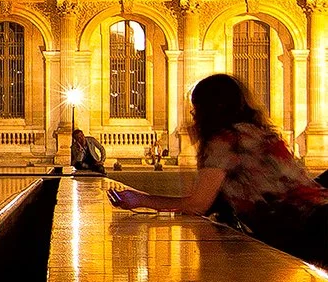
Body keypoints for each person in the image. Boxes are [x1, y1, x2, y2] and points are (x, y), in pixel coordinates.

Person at [109, 73, 328, 256]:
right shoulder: (258, 133)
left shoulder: (225, 141)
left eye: (196, 108)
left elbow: (198, 203)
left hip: (304, 227)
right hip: (314, 217)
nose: (193, 114)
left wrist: (140, 199)